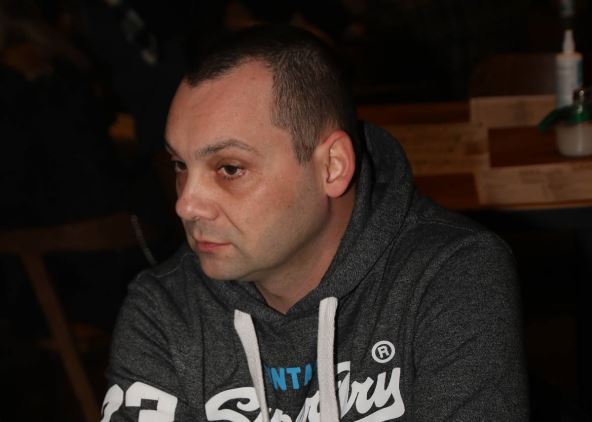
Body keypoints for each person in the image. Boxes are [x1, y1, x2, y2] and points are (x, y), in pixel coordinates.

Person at [100, 24, 528, 421]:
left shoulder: (452, 273)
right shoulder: (162, 308)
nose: (186, 205)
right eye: (179, 164)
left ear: (332, 166)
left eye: (229, 169)